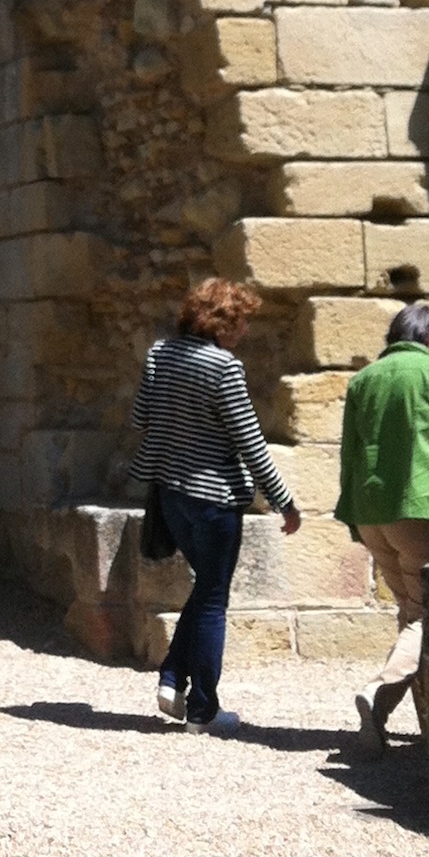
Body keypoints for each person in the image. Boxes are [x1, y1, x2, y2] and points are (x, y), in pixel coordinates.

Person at [129, 278, 302, 733]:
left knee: (205, 590)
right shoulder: (223, 367)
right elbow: (251, 444)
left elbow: (140, 418)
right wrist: (284, 502)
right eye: (240, 321)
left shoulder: (159, 354)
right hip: (214, 499)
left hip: (170, 494)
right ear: (221, 322)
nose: (243, 331)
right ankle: (203, 710)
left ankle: (171, 678)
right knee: (212, 601)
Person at [335, 301, 429, 751]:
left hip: (372, 513)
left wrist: (355, 519)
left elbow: (349, 454)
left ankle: (406, 721)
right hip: (427, 508)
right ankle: (378, 693)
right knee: (428, 617)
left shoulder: (364, 380)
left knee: (412, 615)